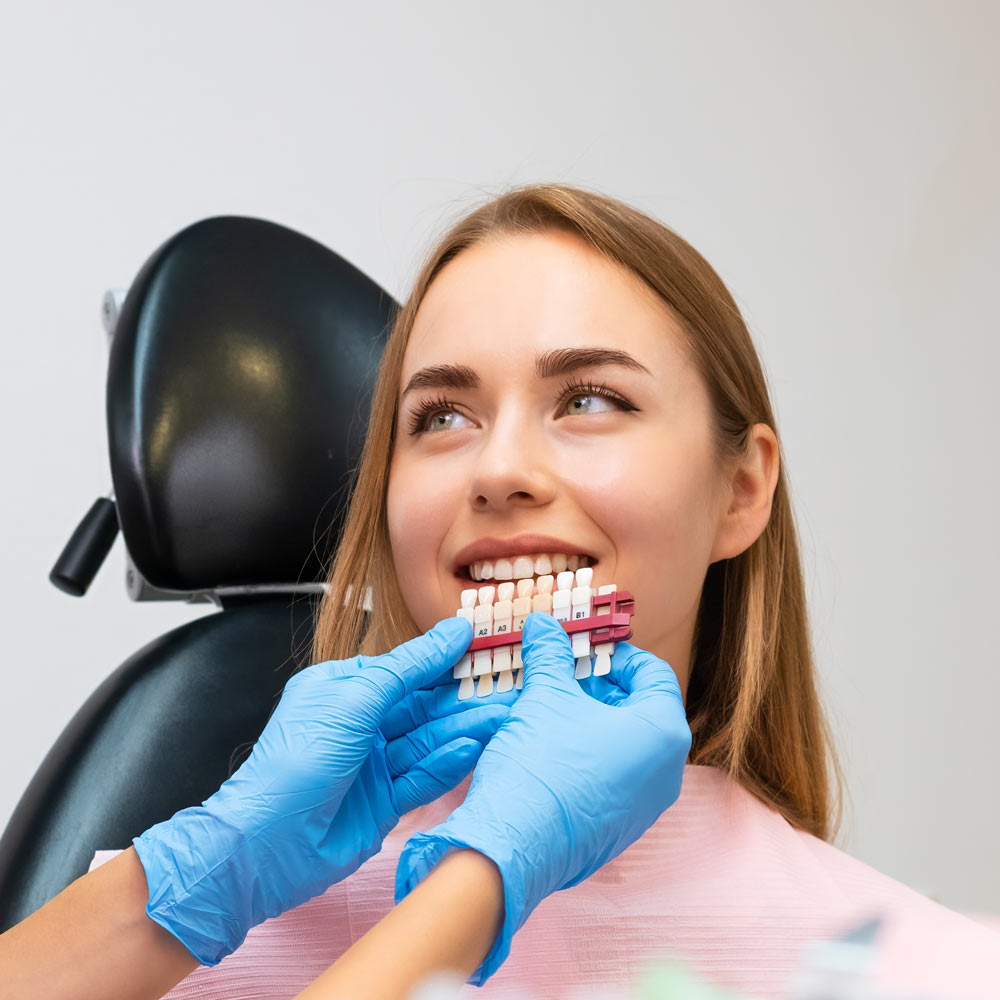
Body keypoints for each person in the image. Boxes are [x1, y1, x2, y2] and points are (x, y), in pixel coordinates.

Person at [3, 183, 997, 999]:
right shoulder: (165, 947)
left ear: (741, 491)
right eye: (439, 416)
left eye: (591, 399)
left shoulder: (931, 971)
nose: (499, 468)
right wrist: (203, 871)